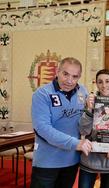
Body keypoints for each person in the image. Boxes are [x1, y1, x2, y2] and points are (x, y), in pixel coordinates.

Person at [31, 57, 92, 188]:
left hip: (71, 161)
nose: (69, 81)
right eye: (65, 74)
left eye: (75, 76)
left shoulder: (83, 92)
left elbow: (87, 124)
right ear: (57, 72)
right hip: (47, 162)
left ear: (79, 77)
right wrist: (75, 143)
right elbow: (42, 128)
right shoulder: (42, 94)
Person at [79, 69, 109, 188]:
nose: (104, 85)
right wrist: (89, 109)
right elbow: (83, 130)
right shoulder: (89, 102)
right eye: (100, 82)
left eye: (107, 81)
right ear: (96, 84)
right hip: (89, 160)